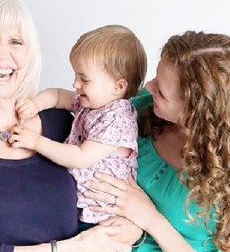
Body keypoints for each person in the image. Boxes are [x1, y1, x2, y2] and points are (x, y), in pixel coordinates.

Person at [0, 0, 140, 252]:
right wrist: (68, 251)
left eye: (16, 42)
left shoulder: (63, 124)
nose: (2, 53)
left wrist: (135, 229)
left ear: (30, 54)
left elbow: (120, 190)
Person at [85, 31, 230, 252]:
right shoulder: (142, 110)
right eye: (156, 78)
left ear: (197, 114)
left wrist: (151, 219)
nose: (148, 86)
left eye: (161, 91)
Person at [9, 24, 147, 231]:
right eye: (76, 76)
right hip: (77, 204)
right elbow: (57, 95)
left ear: (118, 86)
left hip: (99, 216)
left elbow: (80, 158)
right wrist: (35, 104)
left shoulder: (118, 118)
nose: (75, 84)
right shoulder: (92, 101)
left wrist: (35, 141)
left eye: (84, 79)